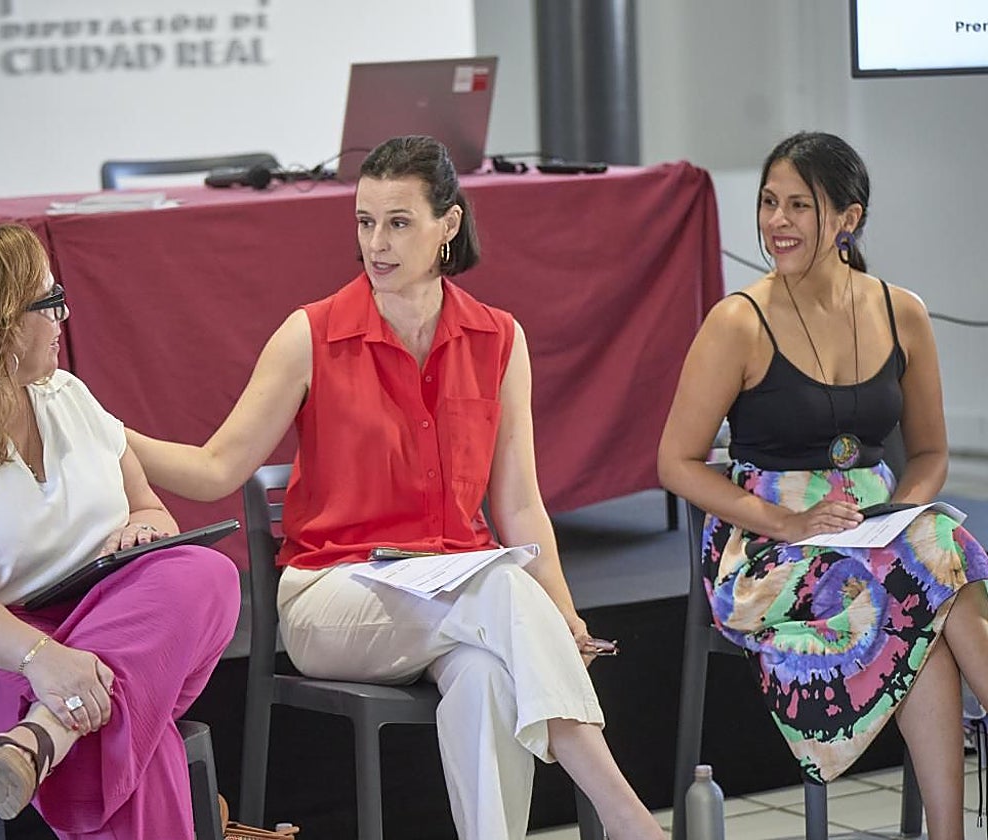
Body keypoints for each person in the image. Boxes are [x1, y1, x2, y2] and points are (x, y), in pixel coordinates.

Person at [127, 135, 663, 840]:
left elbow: (519, 503)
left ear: (450, 225)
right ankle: (628, 817)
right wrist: (102, 431)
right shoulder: (310, 335)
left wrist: (565, 615)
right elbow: (216, 468)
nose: (376, 242)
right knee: (503, 589)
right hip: (333, 598)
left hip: (457, 598)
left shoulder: (500, 340)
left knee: (485, 676)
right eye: (364, 220)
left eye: (399, 221)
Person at [0, 223, 240, 838]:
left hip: (78, 638)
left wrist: (142, 530)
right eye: (50, 302)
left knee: (204, 571)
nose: (64, 315)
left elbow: (150, 509)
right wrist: (40, 658)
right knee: (122, 726)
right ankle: (76, 738)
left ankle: (39, 741)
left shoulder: (67, 396)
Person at [658, 131, 988, 839]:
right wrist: (788, 524)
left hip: (877, 531)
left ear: (848, 218)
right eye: (769, 203)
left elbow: (928, 452)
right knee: (939, 560)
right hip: (765, 547)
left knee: (931, 558)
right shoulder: (736, 322)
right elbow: (675, 463)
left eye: (799, 206)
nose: (776, 221)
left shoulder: (903, 312)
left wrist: (893, 515)